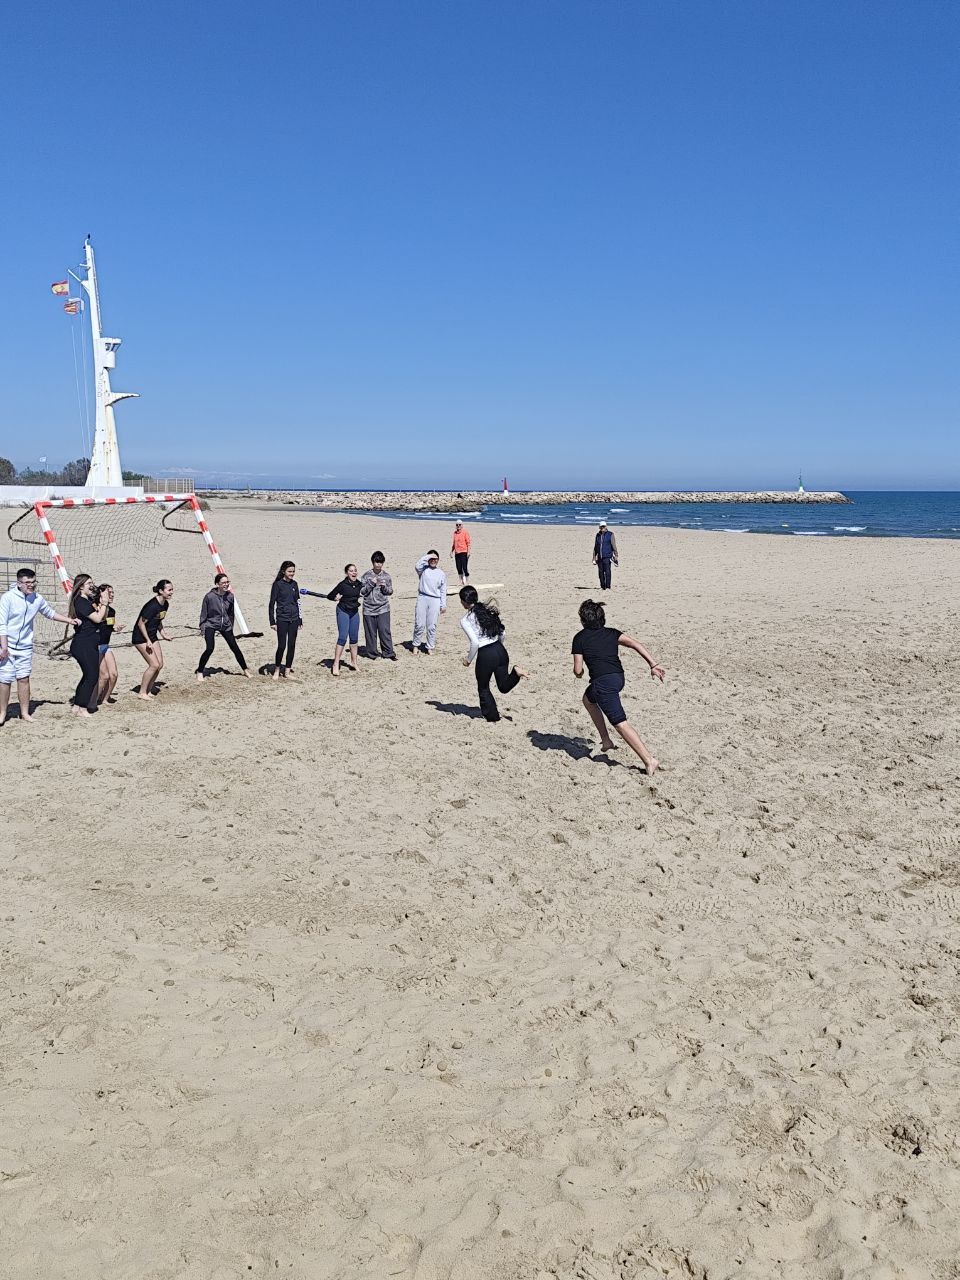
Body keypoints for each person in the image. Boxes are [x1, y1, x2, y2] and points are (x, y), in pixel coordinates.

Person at [571, 598, 664, 774]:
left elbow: (577, 669)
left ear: (583, 620)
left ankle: (649, 760)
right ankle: (606, 741)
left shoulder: (579, 638)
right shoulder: (612, 633)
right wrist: (653, 665)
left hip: (603, 684)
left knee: (620, 723)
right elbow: (635, 644)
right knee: (588, 700)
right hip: (618, 678)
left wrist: (579, 673)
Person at [0, 567, 76, 724]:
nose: (31, 585)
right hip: (7, 646)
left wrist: (69, 620)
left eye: (33, 582)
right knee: (5, 680)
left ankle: (25, 713)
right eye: (27, 582)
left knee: (23, 679)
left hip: (25, 647)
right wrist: (4, 647)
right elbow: (2, 624)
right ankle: (2, 713)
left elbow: (49, 613)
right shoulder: (7, 598)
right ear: (19, 583)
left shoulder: (37, 598)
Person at [459, 585, 528, 722]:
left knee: (483, 688)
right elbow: (502, 632)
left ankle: (493, 717)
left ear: (464, 602)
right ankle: (515, 672)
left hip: (486, 654)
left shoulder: (465, 620)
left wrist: (468, 660)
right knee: (503, 686)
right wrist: (498, 647)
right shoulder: (487, 611)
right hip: (500, 649)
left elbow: (475, 643)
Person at [196, 572, 251, 682]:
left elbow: (231, 613)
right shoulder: (209, 597)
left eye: (227, 582)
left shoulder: (230, 596)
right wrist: (203, 627)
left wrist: (230, 625)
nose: (226, 584)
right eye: (223, 583)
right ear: (217, 584)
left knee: (234, 647)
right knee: (210, 648)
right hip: (210, 624)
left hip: (225, 625)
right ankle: (200, 671)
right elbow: (203, 613)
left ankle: (245, 670)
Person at [67, 574, 110, 717]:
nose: (92, 586)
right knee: (92, 676)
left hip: (90, 642)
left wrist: (103, 603)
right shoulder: (80, 602)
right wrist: (104, 603)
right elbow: (97, 618)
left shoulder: (89, 601)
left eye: (92, 583)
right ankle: (83, 707)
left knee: (88, 675)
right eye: (89, 584)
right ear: (81, 587)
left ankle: (77, 706)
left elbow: (103, 617)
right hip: (83, 644)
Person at [131, 580, 174, 700]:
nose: (171, 592)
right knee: (154, 665)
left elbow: (158, 620)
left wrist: (163, 634)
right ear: (161, 591)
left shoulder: (165, 604)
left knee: (160, 664)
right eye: (169, 590)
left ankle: (148, 690)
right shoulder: (152, 606)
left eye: (172, 590)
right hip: (140, 638)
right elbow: (141, 624)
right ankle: (142, 692)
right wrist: (147, 640)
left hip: (152, 636)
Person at [324, 563, 363, 676]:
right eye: (351, 571)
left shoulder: (359, 584)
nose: (354, 573)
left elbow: (363, 592)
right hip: (343, 611)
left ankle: (354, 662)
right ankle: (336, 664)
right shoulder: (342, 585)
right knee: (342, 637)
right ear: (346, 573)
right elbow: (330, 595)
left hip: (354, 611)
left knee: (354, 637)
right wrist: (335, 598)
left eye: (355, 570)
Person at [269, 561, 302, 680]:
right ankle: (277, 669)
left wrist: (300, 619)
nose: (292, 573)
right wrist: (272, 622)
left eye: (293, 571)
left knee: (291, 645)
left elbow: (298, 602)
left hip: (294, 619)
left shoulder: (294, 584)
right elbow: (271, 604)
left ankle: (287, 671)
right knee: (282, 645)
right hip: (282, 619)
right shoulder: (277, 585)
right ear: (283, 571)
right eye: (289, 571)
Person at [360, 552, 395, 660]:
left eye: (380, 562)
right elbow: (362, 592)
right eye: (376, 562)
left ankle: (388, 653)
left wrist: (384, 587)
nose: (378, 564)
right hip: (368, 609)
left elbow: (390, 592)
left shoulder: (386, 576)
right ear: (372, 562)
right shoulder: (366, 576)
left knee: (385, 631)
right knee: (370, 633)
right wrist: (371, 583)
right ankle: (372, 654)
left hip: (383, 608)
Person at [412, 550, 447, 654]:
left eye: (435, 559)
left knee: (432, 625)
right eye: (431, 559)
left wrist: (443, 604)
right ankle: (416, 645)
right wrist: (427, 556)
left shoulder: (441, 573)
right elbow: (417, 565)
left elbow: (443, 590)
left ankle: (430, 646)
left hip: (435, 600)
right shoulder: (423, 570)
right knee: (419, 624)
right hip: (423, 597)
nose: (433, 561)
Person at [96, 583, 123, 705]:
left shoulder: (112, 611)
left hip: (105, 645)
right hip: (95, 646)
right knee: (104, 676)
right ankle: (94, 699)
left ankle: (105, 698)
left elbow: (108, 626)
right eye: (109, 593)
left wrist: (114, 628)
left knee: (114, 674)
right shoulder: (94, 609)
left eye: (112, 592)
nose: (112, 595)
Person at [592, 521, 619, 590]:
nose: (602, 528)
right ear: (599, 527)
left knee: (607, 572)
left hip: (607, 556)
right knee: (600, 573)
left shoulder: (610, 534)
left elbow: (613, 545)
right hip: (600, 557)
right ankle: (602, 586)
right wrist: (594, 557)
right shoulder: (598, 535)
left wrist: (616, 555)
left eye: (603, 526)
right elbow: (595, 547)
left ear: (606, 526)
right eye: (601, 527)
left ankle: (608, 586)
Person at [451, 519, 472, 585]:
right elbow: (454, 544)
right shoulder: (455, 533)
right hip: (457, 553)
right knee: (458, 568)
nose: (458, 526)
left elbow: (468, 543)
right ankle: (461, 581)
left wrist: (468, 552)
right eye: (457, 525)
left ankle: (467, 581)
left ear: (462, 525)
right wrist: (451, 552)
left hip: (464, 552)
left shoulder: (465, 532)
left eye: (459, 525)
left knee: (464, 567)